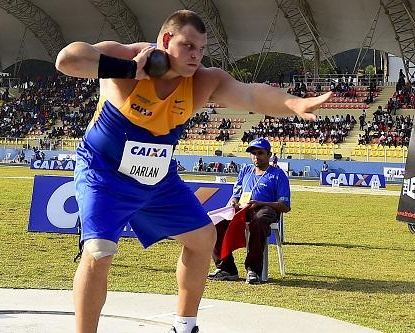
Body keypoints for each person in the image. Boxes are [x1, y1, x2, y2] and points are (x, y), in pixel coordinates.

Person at [55, 9, 330, 333]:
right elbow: (68, 60)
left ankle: (185, 326)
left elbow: (250, 93)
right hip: (104, 172)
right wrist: (130, 69)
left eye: (201, 49)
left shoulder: (203, 80)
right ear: (166, 40)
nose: (196, 56)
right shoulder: (130, 58)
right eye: (188, 46)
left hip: (157, 178)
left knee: (202, 238)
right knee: (99, 251)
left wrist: (294, 104)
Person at [208, 138, 291, 284]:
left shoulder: (278, 175)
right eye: (253, 153)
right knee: (216, 222)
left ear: (269, 154)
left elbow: (285, 206)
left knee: (258, 222)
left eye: (260, 153)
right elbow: (237, 193)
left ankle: (253, 270)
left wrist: (260, 203)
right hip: (243, 209)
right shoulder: (246, 170)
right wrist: (233, 201)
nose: (256, 156)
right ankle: (226, 268)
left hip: (265, 209)